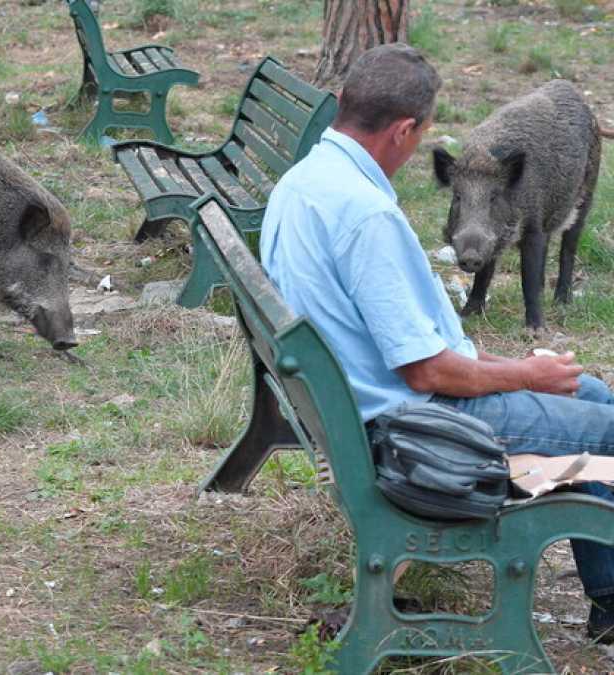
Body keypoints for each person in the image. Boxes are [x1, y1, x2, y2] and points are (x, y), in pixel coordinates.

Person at [258, 42, 614, 644]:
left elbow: (414, 350)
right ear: (402, 130)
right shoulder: (366, 214)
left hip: (352, 407)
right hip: (407, 431)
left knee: (591, 391)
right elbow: (427, 373)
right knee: (606, 424)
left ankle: (609, 599)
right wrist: (527, 376)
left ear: (345, 104)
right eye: (421, 133)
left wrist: (522, 364)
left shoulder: (303, 182)